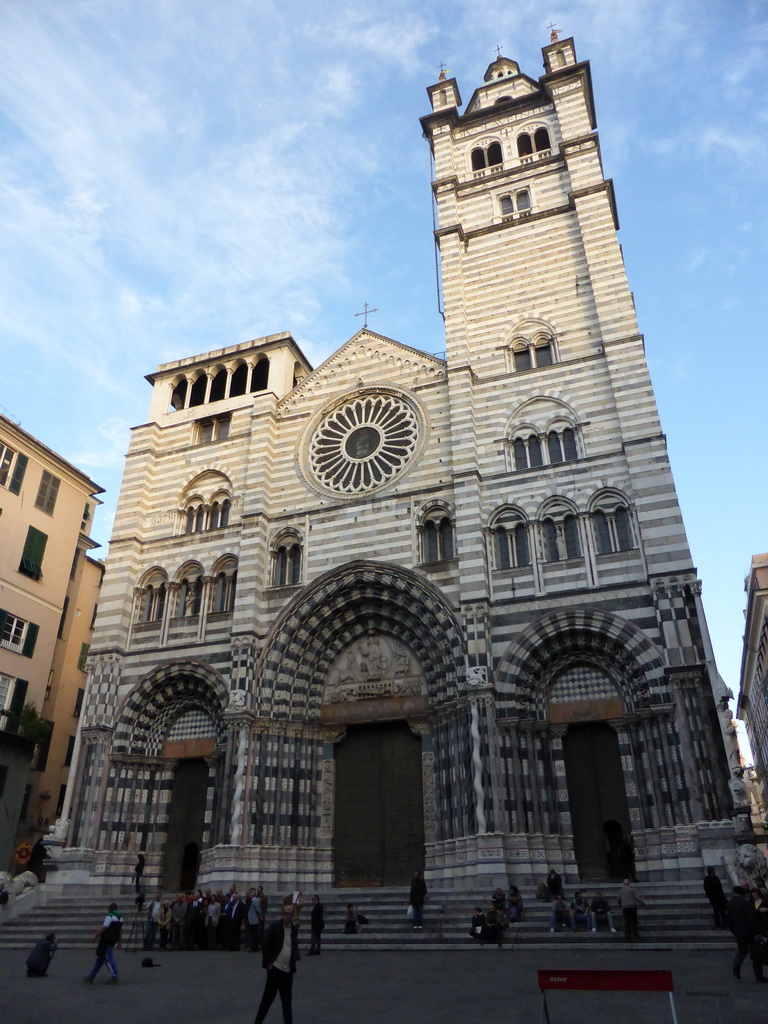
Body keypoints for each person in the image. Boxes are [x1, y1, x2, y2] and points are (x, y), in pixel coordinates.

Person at [253, 902, 300, 1024]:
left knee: (287, 1002)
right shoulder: (274, 927)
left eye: (290, 914)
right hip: (275, 970)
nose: (288, 916)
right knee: (267, 1000)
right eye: (286, 913)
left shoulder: (293, 930)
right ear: (282, 914)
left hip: (288, 971)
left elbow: (292, 946)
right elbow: (265, 943)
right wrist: (269, 964)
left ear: (293, 915)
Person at [728, 885, 764, 981]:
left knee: (742, 951)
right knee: (756, 954)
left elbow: (729, 919)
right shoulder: (744, 902)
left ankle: (737, 965)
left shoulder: (730, 902)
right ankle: (759, 975)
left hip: (738, 931)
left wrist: (733, 930)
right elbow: (750, 918)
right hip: (748, 931)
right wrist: (757, 931)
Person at [84, 902, 123, 983]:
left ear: (109, 909)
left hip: (105, 940)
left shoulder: (109, 917)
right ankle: (91, 976)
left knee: (108, 958)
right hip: (113, 940)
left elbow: (103, 928)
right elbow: (120, 931)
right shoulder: (120, 918)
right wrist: (119, 942)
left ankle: (114, 975)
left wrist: (95, 937)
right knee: (100, 959)